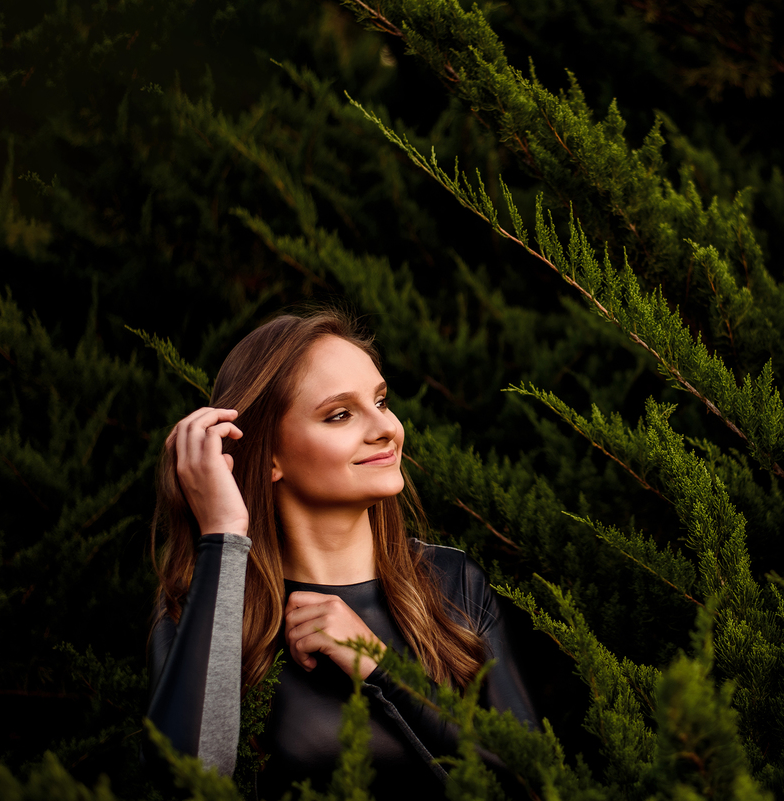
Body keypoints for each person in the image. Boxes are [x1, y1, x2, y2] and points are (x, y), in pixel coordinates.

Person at [145, 309, 537, 797]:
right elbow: (186, 783)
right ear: (269, 456)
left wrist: (380, 665)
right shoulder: (208, 601)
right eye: (340, 414)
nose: (385, 428)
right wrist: (223, 534)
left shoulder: (451, 580)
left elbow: (530, 780)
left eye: (381, 401)